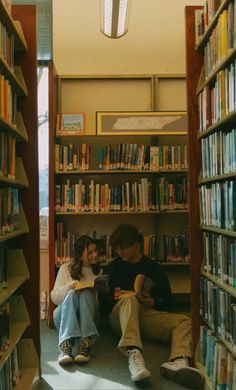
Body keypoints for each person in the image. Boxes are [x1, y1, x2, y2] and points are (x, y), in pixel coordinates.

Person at [99, 224, 203, 388]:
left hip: (144, 316)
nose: (119, 252)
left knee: (184, 322)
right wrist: (112, 297)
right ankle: (134, 355)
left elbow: (167, 301)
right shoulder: (112, 268)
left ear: (136, 245)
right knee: (129, 300)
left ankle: (178, 361)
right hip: (119, 318)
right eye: (117, 249)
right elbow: (103, 308)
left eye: (123, 248)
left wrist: (152, 301)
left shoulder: (154, 268)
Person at [51, 235, 101, 365]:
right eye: (90, 252)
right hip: (64, 316)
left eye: (96, 250)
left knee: (86, 294)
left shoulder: (99, 272)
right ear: (80, 255)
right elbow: (54, 298)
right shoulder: (65, 269)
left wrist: (95, 293)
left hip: (88, 319)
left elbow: (100, 307)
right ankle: (65, 345)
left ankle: (86, 342)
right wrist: (69, 287)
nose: (95, 254)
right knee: (72, 294)